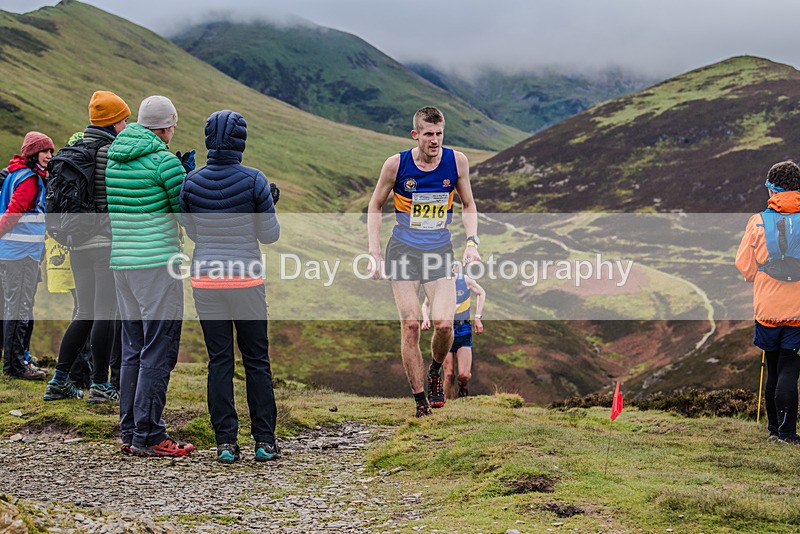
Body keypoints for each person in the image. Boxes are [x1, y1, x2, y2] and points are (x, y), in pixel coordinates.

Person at [180, 109, 281, 463]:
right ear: (241, 141)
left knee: (218, 360)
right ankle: (264, 442)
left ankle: (225, 443)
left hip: (206, 281)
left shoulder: (190, 182)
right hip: (246, 281)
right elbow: (269, 235)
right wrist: (270, 202)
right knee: (256, 360)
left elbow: (191, 231)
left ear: (209, 139)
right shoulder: (255, 180)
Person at [367, 106, 480, 417]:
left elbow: (469, 204)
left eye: (439, 134)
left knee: (445, 325)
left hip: (439, 251)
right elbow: (375, 205)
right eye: (428, 134)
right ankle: (420, 401)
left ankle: (434, 370)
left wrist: (472, 242)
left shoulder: (456, 162)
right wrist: (374, 253)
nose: (435, 140)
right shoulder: (396, 165)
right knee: (412, 324)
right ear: (415, 135)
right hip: (403, 249)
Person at [106, 95, 195, 457]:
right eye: (173, 125)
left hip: (122, 265)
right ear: (165, 126)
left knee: (132, 349)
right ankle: (151, 434)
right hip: (158, 264)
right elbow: (185, 219)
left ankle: (130, 432)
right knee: (159, 348)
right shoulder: (164, 163)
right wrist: (186, 178)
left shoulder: (114, 159)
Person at [44, 91, 129, 402]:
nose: (125, 123)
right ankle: (100, 385)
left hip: (75, 242)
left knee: (84, 312)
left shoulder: (74, 148)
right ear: (112, 121)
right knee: (106, 312)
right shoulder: (112, 152)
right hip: (105, 242)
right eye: (123, 118)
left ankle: (58, 381)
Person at [735, 160, 800, 445]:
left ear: (772, 190)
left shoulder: (757, 221)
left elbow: (745, 268)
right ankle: (787, 434)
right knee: (790, 368)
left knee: (772, 367)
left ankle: (774, 430)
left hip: (767, 310)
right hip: (798, 312)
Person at [0, 131, 54, 381]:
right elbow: (14, 212)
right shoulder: (30, 179)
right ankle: (15, 365)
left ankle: (13, 361)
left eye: (51, 151)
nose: (49, 156)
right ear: (33, 153)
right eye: (45, 151)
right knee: (19, 309)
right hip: (21, 254)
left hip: (14, 254)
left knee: (14, 306)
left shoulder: (15, 173)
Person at [421, 267, 485, 399]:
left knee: (464, 375)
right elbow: (426, 304)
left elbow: (481, 293)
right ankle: (448, 405)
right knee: (448, 374)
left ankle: (463, 386)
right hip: (446, 331)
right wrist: (425, 318)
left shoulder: (465, 280)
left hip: (464, 330)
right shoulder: (438, 284)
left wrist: (478, 317)